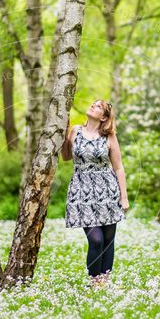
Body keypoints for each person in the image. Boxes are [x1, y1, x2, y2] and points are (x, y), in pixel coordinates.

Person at [61, 99, 129, 288]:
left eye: (99, 106)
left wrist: (124, 197)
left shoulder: (109, 136)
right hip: (81, 190)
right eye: (93, 103)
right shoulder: (75, 131)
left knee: (107, 240)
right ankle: (94, 280)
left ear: (104, 117)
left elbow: (119, 168)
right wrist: (63, 136)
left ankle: (103, 282)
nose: (93, 105)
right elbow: (66, 157)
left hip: (107, 190)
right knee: (96, 239)